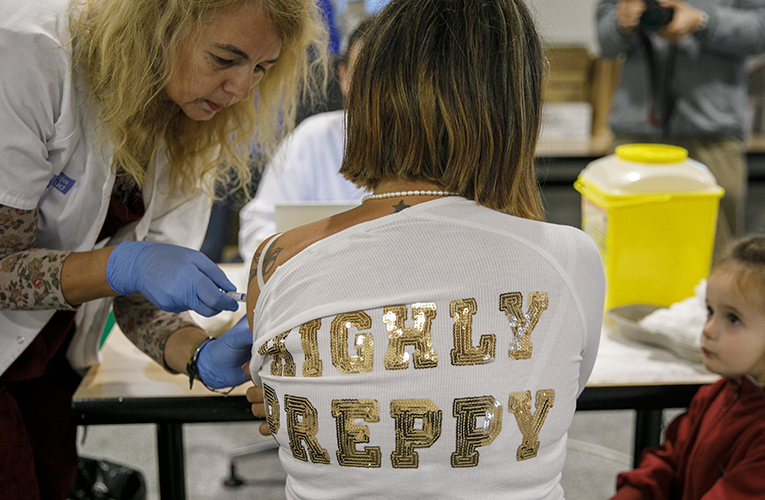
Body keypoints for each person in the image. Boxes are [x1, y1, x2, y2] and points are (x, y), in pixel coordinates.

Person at [243, 0, 606, 498]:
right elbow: (555, 389)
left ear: (366, 91)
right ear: (516, 108)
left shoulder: (277, 260)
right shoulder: (571, 259)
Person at [0, 0, 327, 497]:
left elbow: (137, 295)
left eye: (262, 68)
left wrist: (196, 352)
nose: (241, 89)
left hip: (45, 367)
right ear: (157, 25)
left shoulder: (184, 116)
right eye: (224, 59)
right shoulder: (30, 55)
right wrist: (120, 264)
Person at [610, 234, 765, 499]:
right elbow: (669, 460)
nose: (708, 330)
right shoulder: (718, 393)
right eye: (710, 311)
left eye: (732, 319)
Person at [595, 0, 765, 253]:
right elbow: (605, 41)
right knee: (624, 254)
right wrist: (622, 23)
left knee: (714, 260)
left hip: (711, 137)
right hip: (635, 136)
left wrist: (702, 21)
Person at [238, 18, 373, 263]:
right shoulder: (312, 139)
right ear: (343, 77)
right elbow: (258, 231)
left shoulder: (435, 144)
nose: (374, 89)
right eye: (363, 73)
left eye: (384, 76)